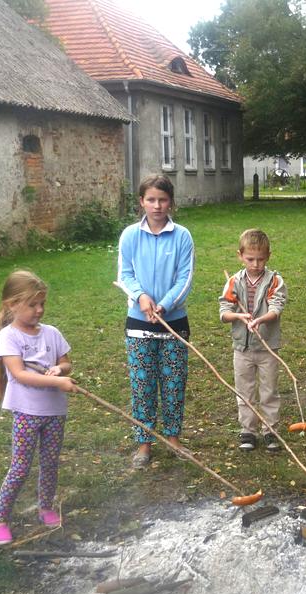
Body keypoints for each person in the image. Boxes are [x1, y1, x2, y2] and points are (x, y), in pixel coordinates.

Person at [0, 270, 77, 545]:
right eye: (32, 305)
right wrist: (58, 383)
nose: (39, 310)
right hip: (27, 412)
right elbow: (19, 374)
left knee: (50, 463)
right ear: (12, 305)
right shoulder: (8, 337)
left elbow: (66, 362)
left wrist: (58, 368)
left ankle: (46, 507)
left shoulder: (51, 333)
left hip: (54, 412)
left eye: (42, 304)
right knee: (21, 467)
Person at [116, 174, 195, 469]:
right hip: (139, 323)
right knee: (143, 385)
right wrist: (141, 298)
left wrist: (163, 305)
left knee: (174, 383)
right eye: (151, 199)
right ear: (141, 202)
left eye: (162, 200)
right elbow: (125, 275)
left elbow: (185, 278)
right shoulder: (129, 236)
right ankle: (145, 442)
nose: (157, 205)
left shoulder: (182, 236)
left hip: (173, 322)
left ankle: (173, 438)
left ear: (171, 202)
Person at [219, 229, 287, 452]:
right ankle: (248, 430)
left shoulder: (274, 281)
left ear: (268, 256)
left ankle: (270, 430)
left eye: (260, 259)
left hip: (267, 347)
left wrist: (260, 320)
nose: (255, 264)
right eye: (250, 259)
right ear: (240, 255)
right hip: (242, 348)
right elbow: (224, 311)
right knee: (244, 390)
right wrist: (238, 316)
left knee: (269, 390)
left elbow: (276, 308)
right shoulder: (233, 282)